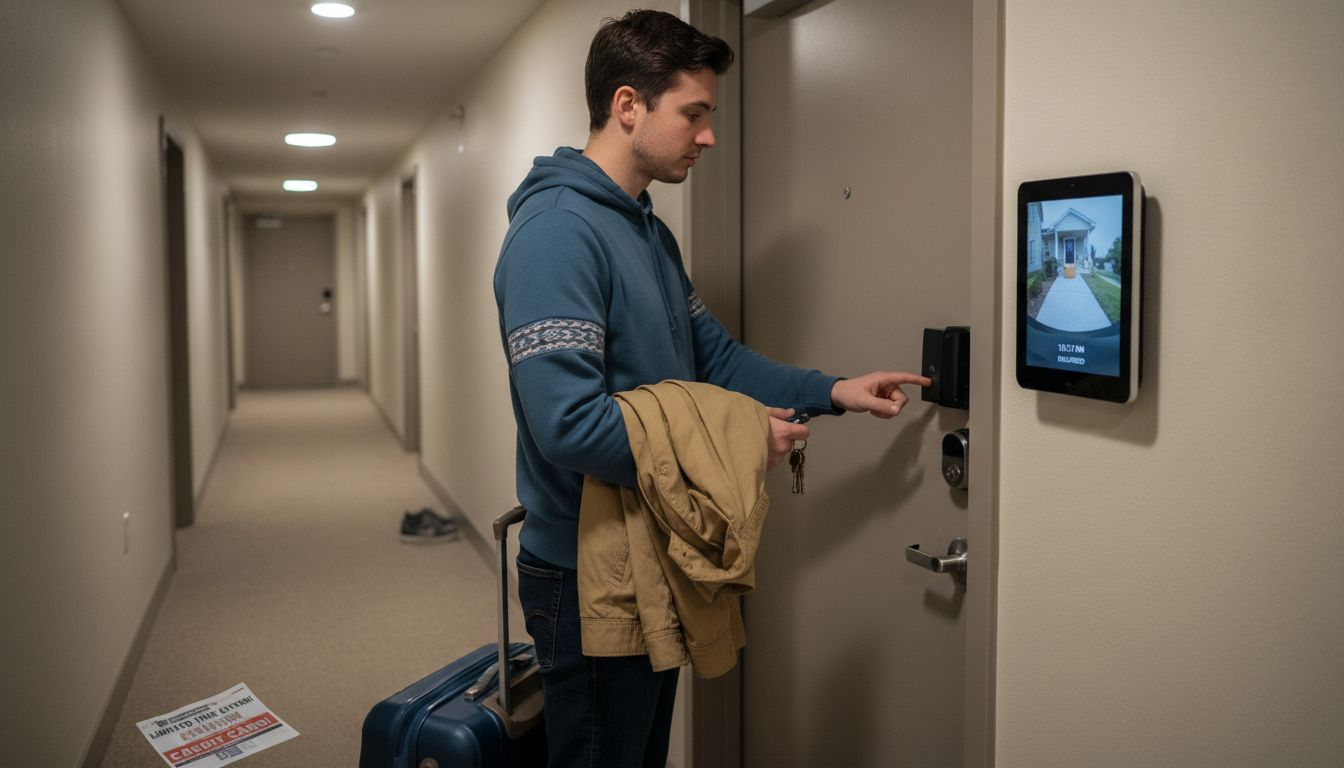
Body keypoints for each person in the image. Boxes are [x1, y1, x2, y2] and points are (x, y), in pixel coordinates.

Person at [492, 10, 930, 767]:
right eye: (693, 113)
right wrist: (737, 442)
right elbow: (567, 426)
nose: (708, 136)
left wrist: (834, 390)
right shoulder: (558, 233)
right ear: (628, 106)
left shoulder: (646, 231)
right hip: (586, 568)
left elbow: (714, 361)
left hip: (654, 548)